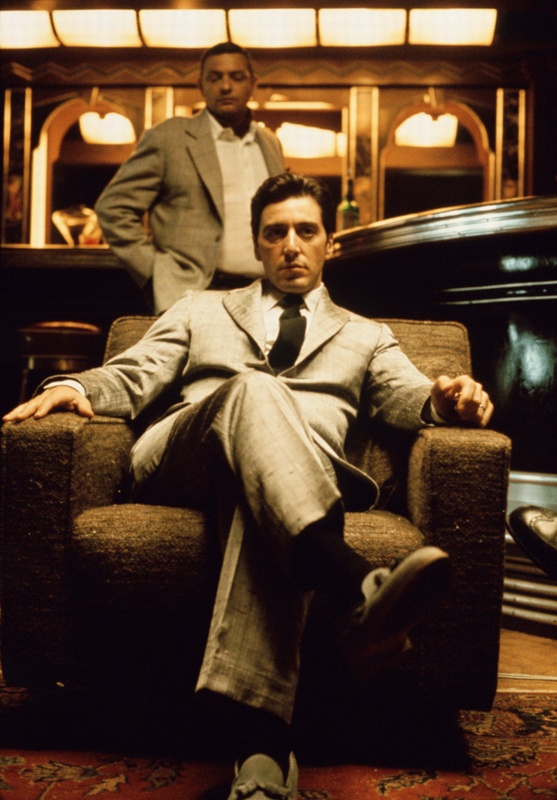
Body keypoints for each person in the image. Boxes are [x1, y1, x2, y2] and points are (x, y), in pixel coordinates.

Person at [4, 173, 494, 800]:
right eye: (275, 232)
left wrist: (447, 398)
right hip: (185, 458)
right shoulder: (201, 308)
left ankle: (261, 749)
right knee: (256, 388)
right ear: (257, 243)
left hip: (291, 482)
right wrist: (73, 386)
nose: (291, 244)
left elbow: (407, 396)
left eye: (306, 231)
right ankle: (348, 578)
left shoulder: (366, 334)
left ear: (329, 243)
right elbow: (134, 374)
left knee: (255, 498)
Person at [95, 41, 284, 315]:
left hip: (264, 295)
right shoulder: (169, 138)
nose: (226, 86)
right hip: (193, 294)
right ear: (200, 85)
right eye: (215, 78)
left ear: (253, 83)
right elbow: (112, 208)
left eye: (236, 77)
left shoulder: (270, 143)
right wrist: (156, 273)